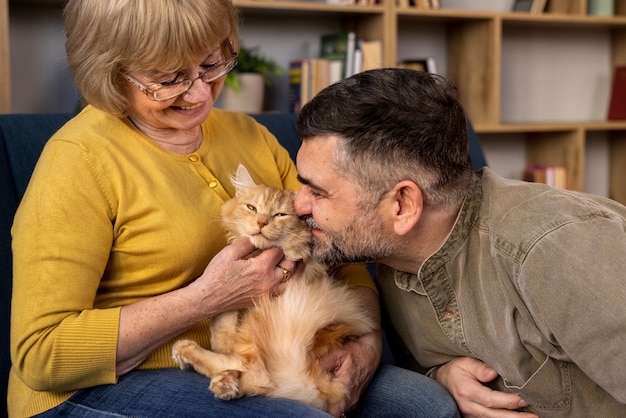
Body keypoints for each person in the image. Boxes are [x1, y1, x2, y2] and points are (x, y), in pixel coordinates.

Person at [9, 1, 459, 417]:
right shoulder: (78, 160)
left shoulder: (251, 136)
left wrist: (365, 345)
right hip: (107, 383)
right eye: (169, 79)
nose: (201, 93)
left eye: (211, 64)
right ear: (111, 72)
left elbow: (340, 250)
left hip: (272, 349)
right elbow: (42, 355)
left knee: (428, 407)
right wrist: (205, 299)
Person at [293, 68, 626, 418]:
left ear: (403, 205)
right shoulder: (390, 258)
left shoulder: (556, 250)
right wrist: (441, 377)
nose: (298, 205)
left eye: (317, 191)